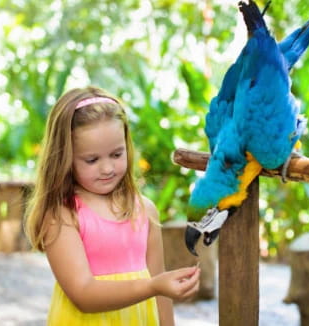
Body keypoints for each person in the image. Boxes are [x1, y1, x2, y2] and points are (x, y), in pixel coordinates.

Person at [24, 85, 200, 325]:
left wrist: (160, 292)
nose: (107, 168)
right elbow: (83, 295)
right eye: (92, 159)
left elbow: (161, 291)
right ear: (65, 157)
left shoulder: (144, 210)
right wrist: (152, 286)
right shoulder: (63, 215)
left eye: (116, 155)